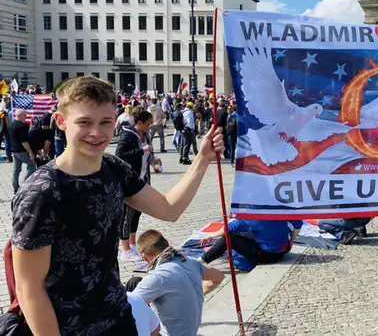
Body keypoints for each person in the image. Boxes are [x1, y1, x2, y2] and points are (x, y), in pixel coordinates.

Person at [11, 76, 223, 335]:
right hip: (68, 328)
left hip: (118, 316)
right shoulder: (42, 191)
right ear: (61, 121)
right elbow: (29, 288)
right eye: (85, 122)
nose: (97, 133)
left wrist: (202, 158)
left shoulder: (113, 167)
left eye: (105, 122)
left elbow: (169, 209)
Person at [128, 230, 225, 336]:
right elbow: (218, 277)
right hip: (190, 331)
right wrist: (191, 294)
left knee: (129, 300)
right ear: (167, 242)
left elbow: (129, 305)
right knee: (135, 283)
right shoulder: (190, 261)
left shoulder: (158, 277)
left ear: (143, 256)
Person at [116, 107, 162, 261]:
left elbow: (148, 154)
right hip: (129, 181)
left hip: (142, 180)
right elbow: (120, 155)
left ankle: (132, 244)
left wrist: (154, 160)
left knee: (137, 212)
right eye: (148, 123)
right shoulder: (127, 135)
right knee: (127, 215)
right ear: (139, 122)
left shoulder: (146, 135)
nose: (150, 126)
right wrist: (141, 151)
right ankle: (125, 250)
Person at [199, 218, 302, 269]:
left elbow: (228, 228)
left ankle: (201, 260)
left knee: (229, 238)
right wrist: (291, 241)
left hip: (266, 255)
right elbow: (298, 224)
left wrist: (211, 236)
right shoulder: (280, 209)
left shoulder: (252, 218)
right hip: (283, 251)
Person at [8, 109, 37, 193]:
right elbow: (24, 141)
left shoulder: (11, 125)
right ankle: (23, 186)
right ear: (20, 116)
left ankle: (15, 187)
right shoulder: (23, 126)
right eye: (25, 115)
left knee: (16, 170)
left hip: (14, 151)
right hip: (22, 151)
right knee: (32, 167)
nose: (26, 117)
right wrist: (30, 152)